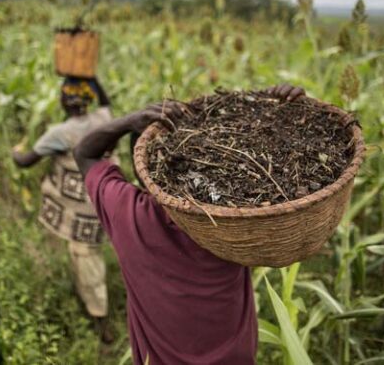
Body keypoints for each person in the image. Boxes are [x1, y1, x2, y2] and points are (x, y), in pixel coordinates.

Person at [73, 84, 306, 364]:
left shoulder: (128, 214)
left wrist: (129, 120)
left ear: (142, 170)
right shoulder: (230, 218)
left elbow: (84, 153)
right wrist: (280, 102)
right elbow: (277, 166)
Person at [12, 76, 115, 343]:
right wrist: (93, 78)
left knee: (87, 263)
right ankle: (93, 304)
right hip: (104, 204)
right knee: (89, 255)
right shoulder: (103, 119)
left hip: (81, 212)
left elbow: (25, 161)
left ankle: (101, 323)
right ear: (88, 99)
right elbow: (106, 103)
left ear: (63, 101)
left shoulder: (60, 133)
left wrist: (15, 152)